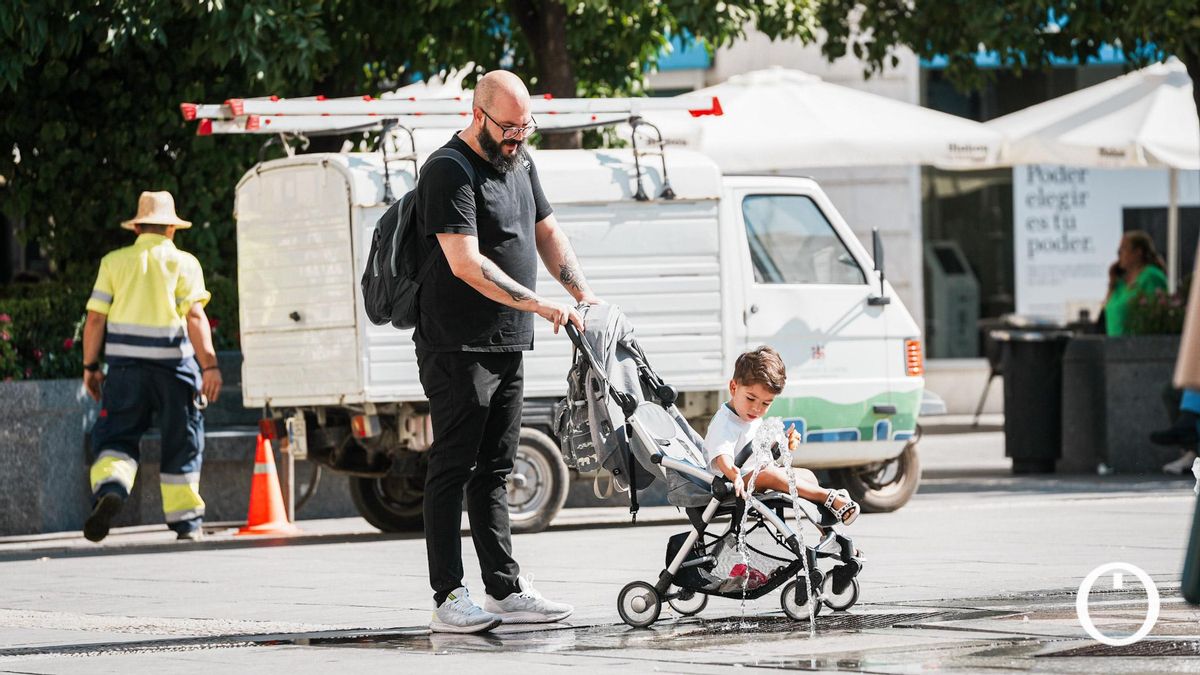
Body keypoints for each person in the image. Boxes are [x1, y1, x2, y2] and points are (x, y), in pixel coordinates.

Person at [414, 70, 600, 634]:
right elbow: (465, 262)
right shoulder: (448, 170)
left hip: (507, 341)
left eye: (526, 126)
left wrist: (583, 295)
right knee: (453, 466)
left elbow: (547, 233)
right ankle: (448, 598)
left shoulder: (520, 161)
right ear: (478, 115)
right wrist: (539, 305)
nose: (519, 137)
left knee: (496, 468)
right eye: (509, 127)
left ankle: (504, 590)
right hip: (456, 344)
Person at [81, 191, 222, 543]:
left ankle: (111, 488)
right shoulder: (185, 263)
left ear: (137, 227)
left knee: (116, 437)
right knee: (182, 442)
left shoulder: (114, 262)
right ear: (172, 229)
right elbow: (195, 317)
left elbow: (95, 320)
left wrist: (90, 367)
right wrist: (209, 366)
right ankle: (186, 523)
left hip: (125, 372)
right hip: (174, 371)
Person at [703, 346, 860, 526]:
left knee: (808, 476)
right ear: (733, 387)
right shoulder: (725, 422)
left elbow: (757, 449)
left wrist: (784, 442)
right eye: (751, 399)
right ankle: (830, 497)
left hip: (754, 475)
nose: (757, 408)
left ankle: (827, 530)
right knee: (769, 474)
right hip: (729, 483)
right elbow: (722, 456)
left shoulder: (749, 415)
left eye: (766, 403)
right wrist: (733, 474)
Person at [1103, 230, 1168, 337]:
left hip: (1138, 343)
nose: (1119, 253)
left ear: (1138, 252)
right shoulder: (1120, 282)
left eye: (1124, 248)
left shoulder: (1151, 276)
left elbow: (1155, 315)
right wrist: (1111, 282)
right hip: (1114, 344)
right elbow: (1108, 309)